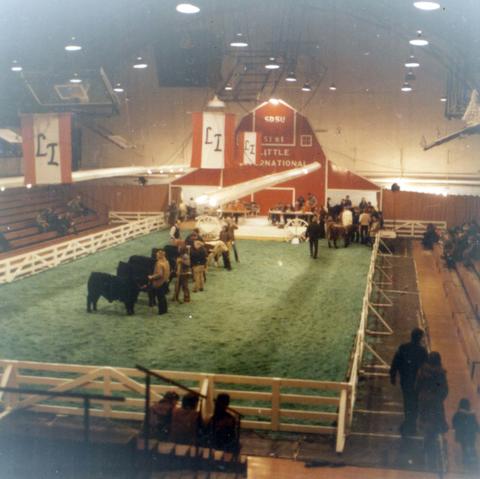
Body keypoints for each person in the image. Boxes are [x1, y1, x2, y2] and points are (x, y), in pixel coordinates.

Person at [390, 328, 428, 435]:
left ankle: (408, 422)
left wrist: (392, 375)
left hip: (405, 381)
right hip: (417, 383)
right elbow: (426, 368)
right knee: (415, 402)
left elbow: (395, 362)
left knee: (407, 401)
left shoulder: (403, 347)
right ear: (420, 338)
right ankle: (411, 423)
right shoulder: (423, 351)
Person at [416, 352, 449, 469]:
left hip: (424, 400)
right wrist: (439, 398)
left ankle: (426, 444)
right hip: (435, 401)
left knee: (425, 421)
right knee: (434, 423)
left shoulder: (422, 371)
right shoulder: (440, 373)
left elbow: (417, 386)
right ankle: (430, 445)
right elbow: (445, 390)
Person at [453, 398, 479, 466]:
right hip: (471, 435)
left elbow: (454, 422)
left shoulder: (458, 414)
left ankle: (466, 460)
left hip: (462, 435)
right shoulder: (472, 414)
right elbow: (475, 424)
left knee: (464, 448)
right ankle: (474, 460)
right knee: (472, 446)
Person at [148, 249, 170, 315]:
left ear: (159, 256)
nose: (156, 256)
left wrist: (151, 277)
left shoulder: (159, 263)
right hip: (165, 281)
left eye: (157, 255)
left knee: (160, 298)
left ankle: (162, 311)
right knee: (163, 297)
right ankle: (165, 310)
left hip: (160, 283)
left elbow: (159, 274)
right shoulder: (166, 262)